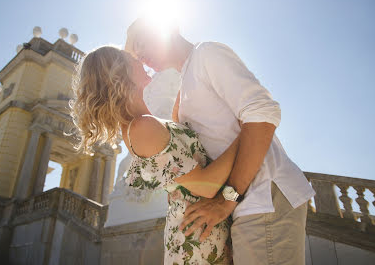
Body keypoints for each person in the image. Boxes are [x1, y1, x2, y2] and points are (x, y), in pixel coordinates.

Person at [124, 17, 317, 265]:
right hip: (244, 204)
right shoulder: (184, 88)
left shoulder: (207, 53)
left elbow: (262, 113)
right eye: (135, 52)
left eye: (141, 41)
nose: (139, 53)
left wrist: (227, 199)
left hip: (264, 196)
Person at [69, 45, 236, 264]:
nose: (139, 61)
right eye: (132, 59)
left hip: (202, 228)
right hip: (201, 240)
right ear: (121, 72)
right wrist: (246, 131)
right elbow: (207, 184)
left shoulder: (145, 123)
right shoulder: (141, 127)